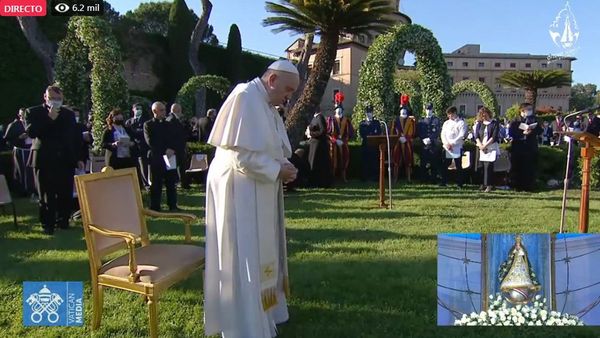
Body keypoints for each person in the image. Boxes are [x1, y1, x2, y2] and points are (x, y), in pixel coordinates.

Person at [204, 60, 299, 338]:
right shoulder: (245, 96)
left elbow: (275, 147)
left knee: (259, 252)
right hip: (237, 190)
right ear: (272, 80)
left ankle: (262, 315)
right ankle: (244, 323)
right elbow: (240, 156)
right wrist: (276, 170)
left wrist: (283, 165)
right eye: (287, 90)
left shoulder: (267, 106)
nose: (288, 97)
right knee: (243, 252)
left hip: (256, 186)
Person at [25, 85, 84, 235]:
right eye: (52, 98)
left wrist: (79, 157)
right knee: (46, 193)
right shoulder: (34, 112)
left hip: (65, 158)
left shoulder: (68, 114)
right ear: (45, 97)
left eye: (59, 99)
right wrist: (49, 118)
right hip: (44, 158)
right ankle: (48, 223)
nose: (56, 102)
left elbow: (74, 137)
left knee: (64, 192)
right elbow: (32, 133)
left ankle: (63, 220)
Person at [144, 102, 179, 211]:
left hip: (169, 157)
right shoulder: (148, 125)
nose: (164, 112)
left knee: (171, 181)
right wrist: (164, 150)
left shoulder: (169, 124)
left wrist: (172, 149)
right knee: (156, 183)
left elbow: (174, 138)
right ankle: (155, 206)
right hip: (157, 157)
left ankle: (172, 205)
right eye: (162, 110)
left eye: (164, 109)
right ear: (155, 111)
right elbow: (150, 141)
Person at [509, 102, 543, 191]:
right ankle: (517, 186)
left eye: (530, 109)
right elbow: (511, 133)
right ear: (522, 110)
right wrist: (523, 134)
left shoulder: (534, 119)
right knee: (517, 168)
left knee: (529, 168)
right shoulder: (515, 121)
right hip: (518, 148)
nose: (530, 111)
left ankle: (529, 186)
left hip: (530, 147)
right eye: (528, 109)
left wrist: (532, 130)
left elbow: (540, 131)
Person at [4, 108, 35, 196]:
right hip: (21, 151)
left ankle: (33, 189)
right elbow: (7, 140)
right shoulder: (14, 125)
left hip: (31, 150)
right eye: (22, 115)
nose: (23, 117)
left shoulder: (31, 123)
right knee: (22, 172)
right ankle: (24, 191)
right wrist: (19, 138)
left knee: (32, 171)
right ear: (19, 115)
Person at [327, 92, 353, 182]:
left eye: (340, 108)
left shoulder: (346, 120)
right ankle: (333, 176)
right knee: (333, 158)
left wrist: (344, 140)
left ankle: (343, 176)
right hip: (333, 142)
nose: (339, 110)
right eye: (337, 108)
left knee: (344, 157)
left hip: (343, 142)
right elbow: (328, 133)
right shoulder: (330, 119)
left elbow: (350, 133)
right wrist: (334, 140)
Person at [390, 95, 416, 183]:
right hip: (397, 143)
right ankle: (395, 178)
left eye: (405, 110)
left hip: (407, 143)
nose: (404, 111)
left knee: (408, 161)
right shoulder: (395, 120)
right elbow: (392, 132)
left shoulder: (410, 121)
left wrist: (406, 138)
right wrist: (398, 138)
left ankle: (408, 178)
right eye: (402, 109)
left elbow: (412, 132)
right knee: (396, 161)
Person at [474, 107, 500, 192]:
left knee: (489, 167)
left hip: (490, 146)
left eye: (485, 114)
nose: (483, 116)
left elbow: (494, 136)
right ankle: (481, 184)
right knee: (480, 167)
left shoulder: (494, 123)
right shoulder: (479, 124)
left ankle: (489, 185)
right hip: (481, 147)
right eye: (482, 115)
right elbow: (476, 136)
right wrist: (481, 145)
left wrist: (485, 145)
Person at [166, 103, 191, 189]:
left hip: (176, 148)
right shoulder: (172, 120)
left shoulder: (170, 119)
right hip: (174, 148)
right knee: (175, 167)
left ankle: (181, 183)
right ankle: (178, 183)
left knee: (177, 167)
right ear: (178, 111)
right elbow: (174, 135)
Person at [440, 106, 467, 188]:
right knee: (445, 165)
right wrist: (446, 143)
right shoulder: (446, 123)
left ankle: (459, 183)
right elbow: (443, 134)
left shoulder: (461, 123)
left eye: (450, 115)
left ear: (455, 113)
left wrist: (452, 143)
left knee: (458, 166)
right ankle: (444, 181)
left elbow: (461, 136)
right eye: (448, 115)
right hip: (447, 147)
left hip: (457, 147)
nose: (449, 117)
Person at [307, 106, 333, 187]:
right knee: (312, 162)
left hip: (319, 144)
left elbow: (322, 131)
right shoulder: (314, 118)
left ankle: (321, 182)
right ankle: (313, 181)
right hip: (313, 144)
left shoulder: (320, 117)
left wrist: (311, 134)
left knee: (318, 163)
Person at [126, 103, 150, 188]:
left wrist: (135, 133)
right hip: (132, 147)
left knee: (144, 165)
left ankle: (146, 183)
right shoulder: (129, 122)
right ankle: (137, 183)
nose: (138, 110)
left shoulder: (145, 121)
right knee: (134, 165)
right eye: (136, 108)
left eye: (140, 108)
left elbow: (143, 133)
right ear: (133, 110)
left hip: (142, 147)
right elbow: (127, 133)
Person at [417, 103, 441, 183]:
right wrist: (423, 138)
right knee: (423, 162)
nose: (428, 111)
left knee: (433, 162)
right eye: (427, 109)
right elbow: (419, 131)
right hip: (424, 144)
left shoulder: (436, 120)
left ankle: (433, 179)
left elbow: (437, 131)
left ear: (432, 110)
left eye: (430, 109)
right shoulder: (421, 120)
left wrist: (430, 139)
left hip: (432, 144)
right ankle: (423, 178)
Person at [358, 105, 382, 181]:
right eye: (368, 112)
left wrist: (372, 134)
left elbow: (378, 132)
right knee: (365, 162)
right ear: (365, 113)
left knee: (374, 162)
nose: (369, 114)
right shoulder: (362, 123)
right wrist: (371, 134)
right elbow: (363, 134)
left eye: (370, 112)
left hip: (374, 146)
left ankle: (374, 178)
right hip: (366, 145)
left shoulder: (376, 123)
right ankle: (365, 178)